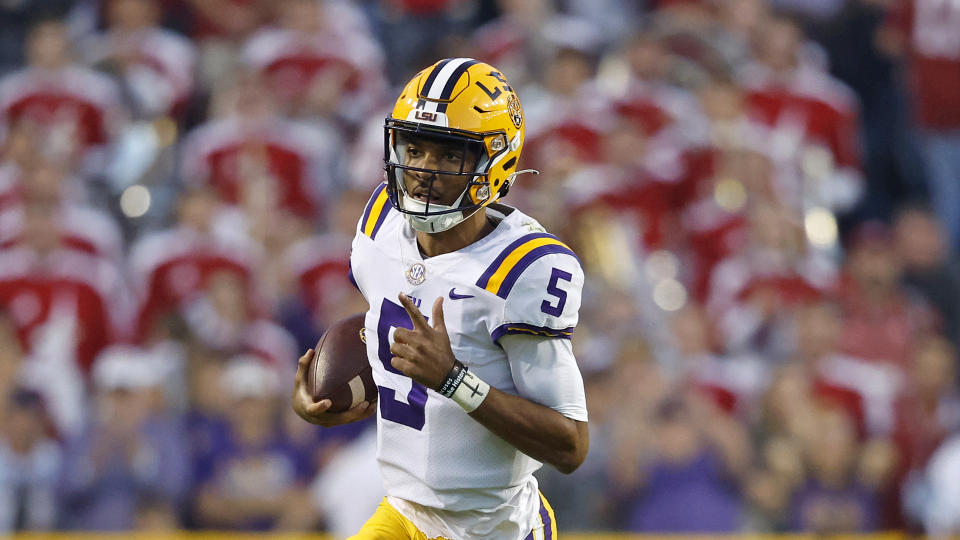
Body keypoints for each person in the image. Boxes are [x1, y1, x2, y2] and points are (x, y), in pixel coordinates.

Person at [291, 58, 589, 539]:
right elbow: (388, 318)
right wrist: (325, 395)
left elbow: (570, 445)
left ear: (496, 162)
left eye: (449, 155)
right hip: (404, 514)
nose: (425, 171)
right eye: (415, 148)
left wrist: (453, 381)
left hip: (493, 530)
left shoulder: (524, 269)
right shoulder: (381, 224)